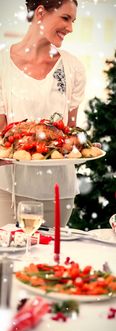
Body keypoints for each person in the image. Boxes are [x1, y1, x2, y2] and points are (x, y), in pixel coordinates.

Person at [0, 0, 86, 227]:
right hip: (8, 191)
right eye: (65, 18)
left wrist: (78, 143)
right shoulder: (2, 65)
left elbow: (70, 132)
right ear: (40, 12)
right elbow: (1, 136)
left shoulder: (73, 67)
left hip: (58, 192)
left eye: (73, 21)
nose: (70, 28)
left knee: (50, 259)